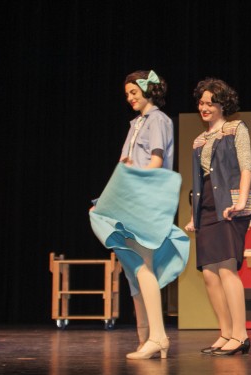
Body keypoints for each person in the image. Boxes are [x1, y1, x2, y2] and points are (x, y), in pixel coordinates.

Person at [89, 70, 189, 359]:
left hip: (144, 196)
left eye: (134, 92)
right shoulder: (136, 123)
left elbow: (156, 162)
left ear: (149, 90)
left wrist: (133, 185)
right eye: (127, 94)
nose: (130, 98)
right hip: (131, 195)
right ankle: (145, 336)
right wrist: (105, 202)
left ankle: (158, 337)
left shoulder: (158, 119)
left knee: (142, 266)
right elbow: (125, 167)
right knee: (134, 269)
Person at [183, 78, 251, 356]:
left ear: (222, 104)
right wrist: (194, 216)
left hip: (230, 202)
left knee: (227, 267)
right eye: (201, 103)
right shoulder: (199, 139)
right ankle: (226, 332)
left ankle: (241, 335)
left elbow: (246, 166)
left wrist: (240, 200)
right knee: (210, 274)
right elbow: (198, 179)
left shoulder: (236, 128)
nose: (204, 107)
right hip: (207, 206)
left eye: (209, 102)